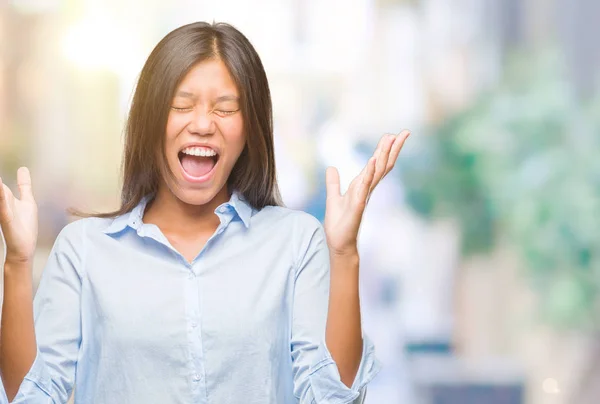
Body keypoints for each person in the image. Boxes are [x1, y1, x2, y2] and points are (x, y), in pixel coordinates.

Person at [0, 21, 409, 403]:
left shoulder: (296, 242)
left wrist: (344, 254)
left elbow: (328, 394)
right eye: (182, 105)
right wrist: (17, 262)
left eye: (225, 109)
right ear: (150, 120)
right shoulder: (84, 248)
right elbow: (32, 395)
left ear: (250, 130)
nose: (202, 124)